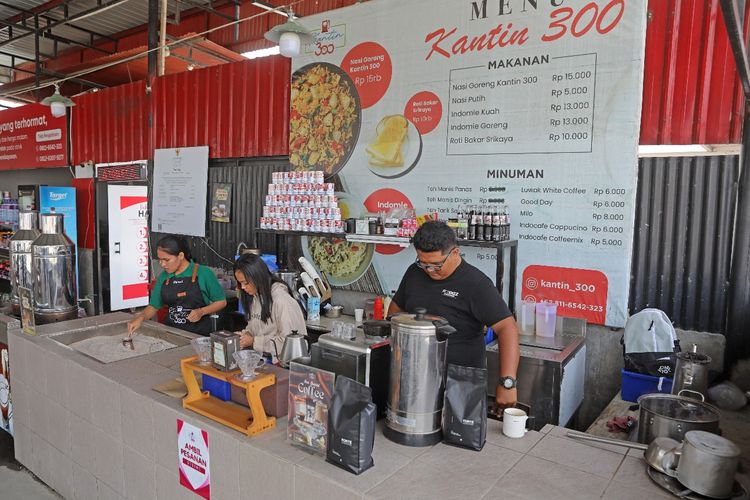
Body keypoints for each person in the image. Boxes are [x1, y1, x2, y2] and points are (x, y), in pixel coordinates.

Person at [388, 220, 520, 408]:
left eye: (436, 265)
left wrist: (507, 382)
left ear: (455, 252)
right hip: (416, 378)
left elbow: (507, 327)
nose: (429, 270)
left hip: (461, 384)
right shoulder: (414, 273)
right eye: (423, 263)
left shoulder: (476, 284)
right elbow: (395, 311)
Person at [127, 235, 227, 336]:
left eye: (166, 260)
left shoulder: (203, 273)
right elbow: (154, 306)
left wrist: (201, 311)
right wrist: (140, 318)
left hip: (199, 334)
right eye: (160, 260)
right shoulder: (163, 277)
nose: (162, 264)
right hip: (172, 332)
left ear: (181, 256)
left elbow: (221, 302)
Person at [233, 253, 307, 359]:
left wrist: (254, 341)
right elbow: (254, 327)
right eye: (240, 283)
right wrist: (245, 335)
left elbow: (289, 343)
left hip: (283, 363)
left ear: (258, 277)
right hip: (263, 358)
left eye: (245, 283)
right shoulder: (256, 295)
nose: (243, 287)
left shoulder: (282, 301)